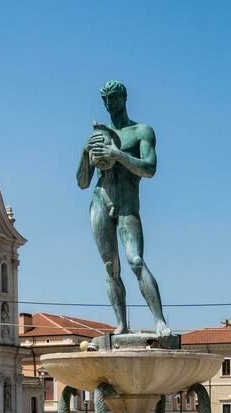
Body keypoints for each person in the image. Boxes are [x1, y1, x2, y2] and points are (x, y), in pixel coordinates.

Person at [77, 80, 169, 336]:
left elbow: (149, 168)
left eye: (114, 97)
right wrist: (85, 153)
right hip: (100, 200)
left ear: (125, 98)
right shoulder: (97, 137)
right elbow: (83, 182)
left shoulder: (142, 131)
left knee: (136, 261)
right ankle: (122, 324)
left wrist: (117, 154)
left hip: (128, 204)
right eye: (105, 99)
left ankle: (160, 321)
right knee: (110, 267)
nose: (109, 103)